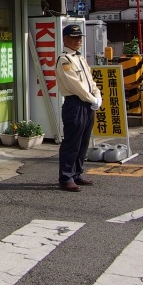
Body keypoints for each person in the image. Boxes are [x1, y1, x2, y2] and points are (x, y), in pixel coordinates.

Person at [56, 23, 103, 192]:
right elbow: (74, 85)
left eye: (79, 38)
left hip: (87, 103)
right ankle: (66, 177)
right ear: (65, 39)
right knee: (71, 142)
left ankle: (76, 173)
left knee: (83, 141)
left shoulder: (80, 58)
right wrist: (92, 98)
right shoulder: (64, 60)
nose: (78, 41)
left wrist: (98, 95)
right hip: (74, 104)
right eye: (74, 38)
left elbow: (90, 82)